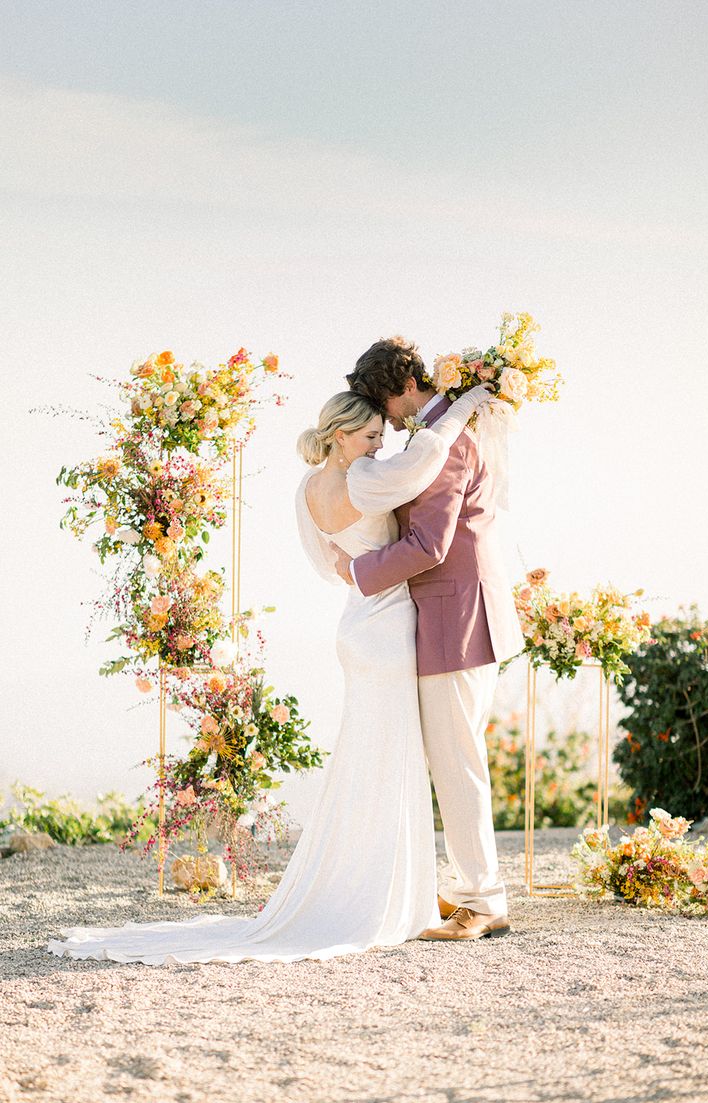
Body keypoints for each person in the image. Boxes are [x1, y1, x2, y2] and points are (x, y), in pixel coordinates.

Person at [46, 381, 493, 965]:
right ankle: (390, 892)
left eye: (381, 437)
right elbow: (427, 463)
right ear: (339, 438)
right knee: (395, 759)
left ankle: (379, 884)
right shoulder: (366, 480)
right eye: (370, 436)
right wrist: (463, 406)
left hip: (355, 626)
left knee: (369, 758)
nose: (381, 446)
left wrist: (352, 568)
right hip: (387, 629)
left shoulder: (308, 489)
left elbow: (327, 563)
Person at [332, 336, 525, 941]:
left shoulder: (443, 443)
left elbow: (430, 545)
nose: (384, 424)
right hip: (461, 612)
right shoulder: (447, 430)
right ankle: (472, 885)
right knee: (456, 757)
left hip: (454, 617)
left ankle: (484, 899)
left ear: (396, 390)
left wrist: (356, 571)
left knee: (457, 760)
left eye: (380, 407)